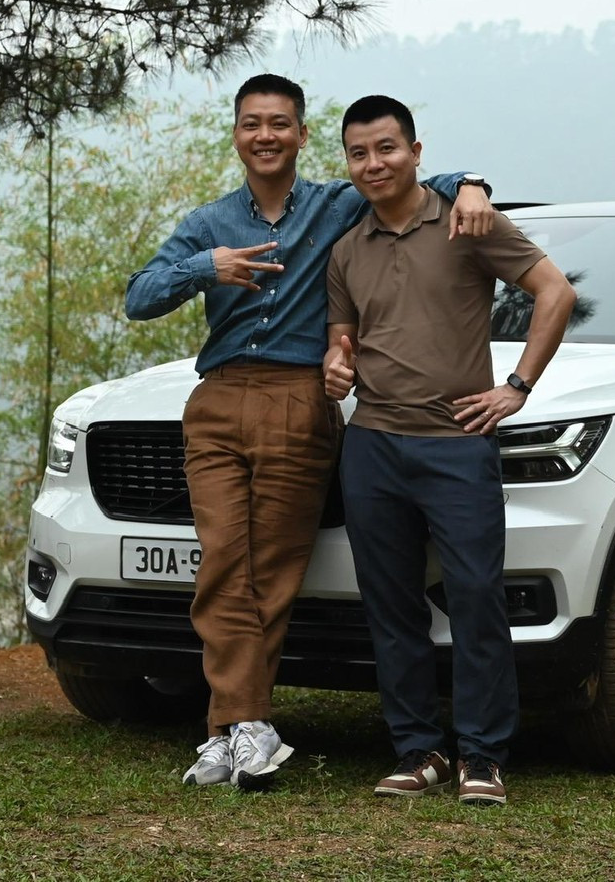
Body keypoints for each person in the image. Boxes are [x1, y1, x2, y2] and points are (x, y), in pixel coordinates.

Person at [125, 74, 497, 791]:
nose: (264, 135)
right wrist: (207, 268)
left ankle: (231, 729)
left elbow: (414, 180)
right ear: (237, 134)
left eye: (279, 124)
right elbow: (140, 296)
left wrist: (474, 184)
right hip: (216, 399)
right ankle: (244, 725)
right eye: (251, 123)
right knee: (222, 561)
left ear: (300, 134)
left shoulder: (338, 204)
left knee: (270, 570)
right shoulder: (209, 223)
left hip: (298, 399)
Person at [322, 94, 575, 808]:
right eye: (358, 153)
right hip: (372, 445)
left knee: (475, 598)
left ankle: (483, 755)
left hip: (457, 445)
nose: (373, 163)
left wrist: (517, 386)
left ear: (415, 151)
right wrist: (336, 366)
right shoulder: (347, 248)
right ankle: (418, 749)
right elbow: (342, 339)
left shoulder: (469, 220)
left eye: (386, 148)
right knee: (390, 604)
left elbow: (554, 292)